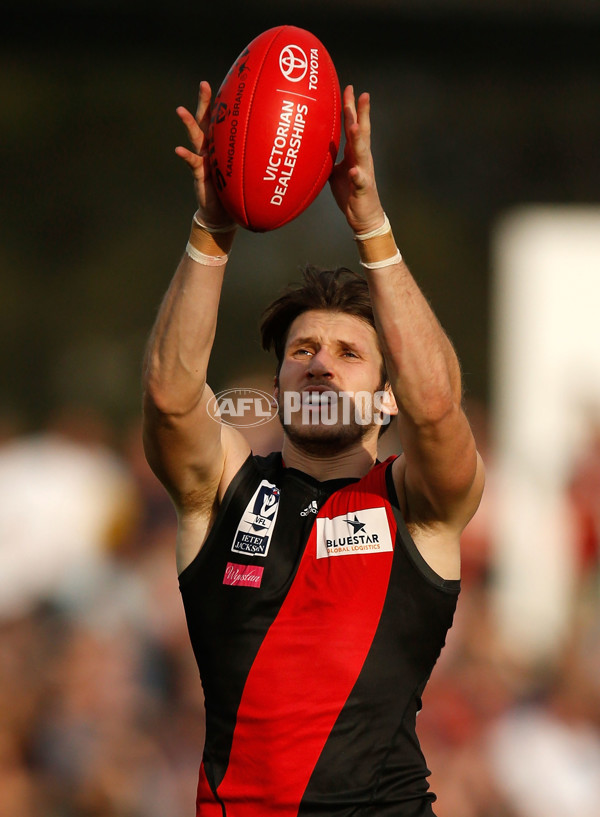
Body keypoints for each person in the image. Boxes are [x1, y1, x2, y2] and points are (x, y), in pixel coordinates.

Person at [142, 80, 485, 817]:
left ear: (385, 396)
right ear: (279, 380)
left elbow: (436, 404)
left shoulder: (416, 505)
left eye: (348, 352)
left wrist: (371, 226)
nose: (320, 363)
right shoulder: (226, 490)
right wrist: (213, 225)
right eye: (302, 349)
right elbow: (172, 398)